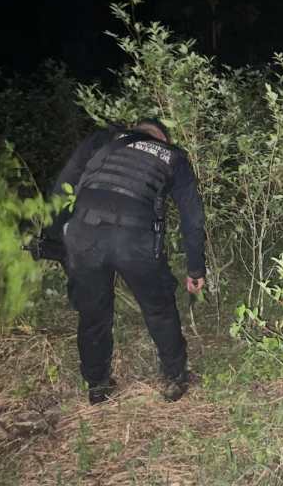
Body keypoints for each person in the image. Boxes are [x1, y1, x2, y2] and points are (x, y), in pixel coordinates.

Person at [46, 118, 207, 404]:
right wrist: (195, 268)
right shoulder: (173, 156)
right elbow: (192, 218)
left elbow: (64, 184)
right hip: (135, 237)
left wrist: (53, 236)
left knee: (93, 313)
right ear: (163, 139)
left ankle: (97, 386)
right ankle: (174, 377)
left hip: (85, 233)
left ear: (134, 129)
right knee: (159, 309)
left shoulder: (102, 140)